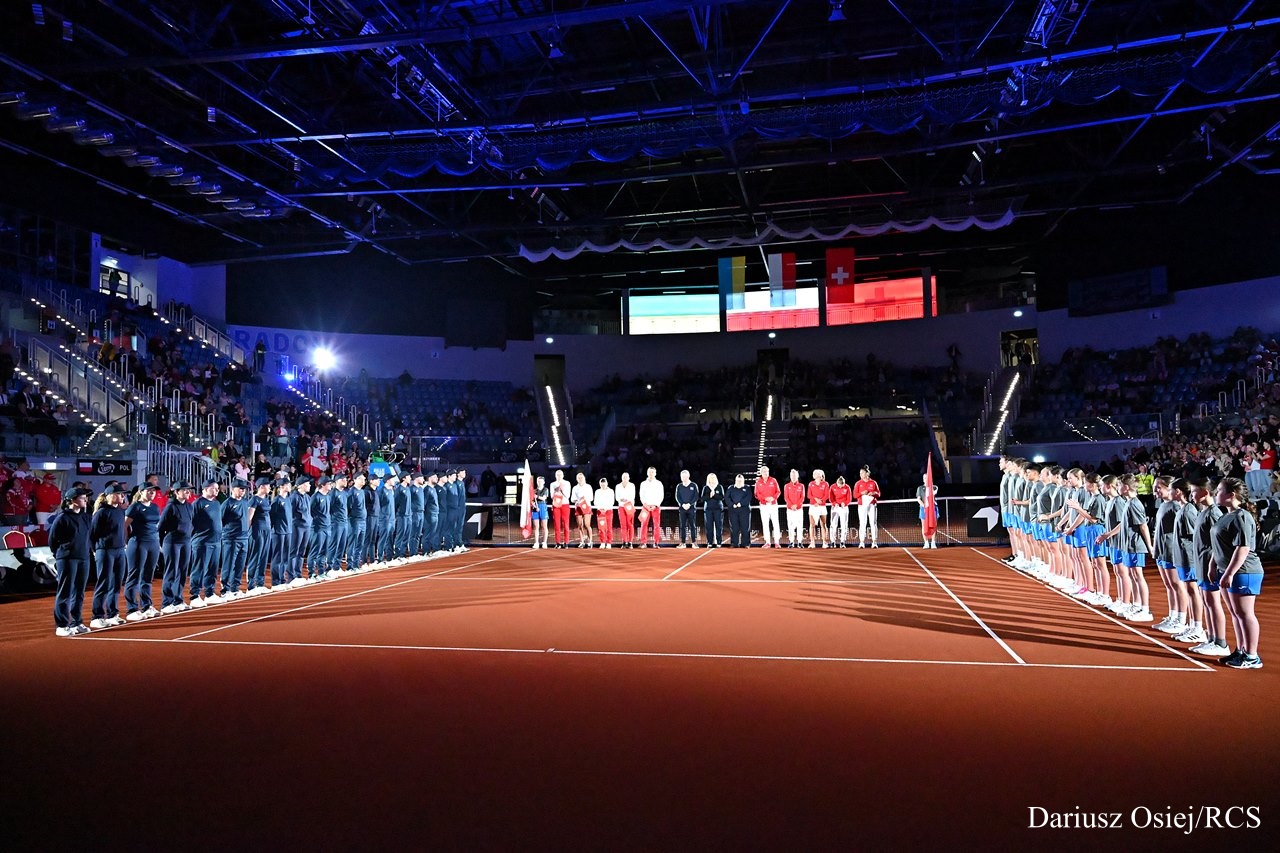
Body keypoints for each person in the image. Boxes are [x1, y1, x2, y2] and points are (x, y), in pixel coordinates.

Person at [1211, 477, 1264, 669]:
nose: (1216, 493)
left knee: (1245, 613)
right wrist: (1213, 566)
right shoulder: (1226, 515)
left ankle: (1252, 655)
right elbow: (1219, 545)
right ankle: (1241, 650)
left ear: (1231, 495)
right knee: (1236, 613)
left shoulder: (1242, 516)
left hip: (1244, 571)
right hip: (1227, 570)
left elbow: (1243, 547)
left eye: (1219, 490)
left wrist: (1229, 573)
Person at [1190, 477, 1229, 657]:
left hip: (1209, 564)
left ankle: (1220, 641)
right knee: (1207, 602)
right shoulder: (1203, 512)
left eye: (1194, 491)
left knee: (1213, 602)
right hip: (1200, 562)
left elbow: (1218, 542)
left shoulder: (1214, 513)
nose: (1191, 495)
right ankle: (1211, 638)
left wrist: (1212, 565)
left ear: (1205, 492)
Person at [50, 486, 93, 636]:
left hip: (84, 558)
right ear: (72, 500)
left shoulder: (86, 517)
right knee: (65, 591)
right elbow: (53, 540)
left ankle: (77, 622)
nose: (85, 500)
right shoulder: (62, 518)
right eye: (82, 497)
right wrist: (61, 554)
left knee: (79, 592)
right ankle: (62, 625)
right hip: (67, 559)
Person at [88, 485, 129, 628]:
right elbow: (92, 534)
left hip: (119, 551)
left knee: (116, 583)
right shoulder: (101, 512)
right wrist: (95, 551)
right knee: (103, 583)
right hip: (105, 551)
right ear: (109, 495)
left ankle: (113, 614)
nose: (122, 496)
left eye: (123, 494)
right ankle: (97, 616)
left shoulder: (120, 511)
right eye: (119, 494)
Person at [123, 483, 162, 619]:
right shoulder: (135, 507)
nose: (152, 493)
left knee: (148, 576)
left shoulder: (155, 507)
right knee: (134, 576)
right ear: (141, 492)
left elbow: (156, 525)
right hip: (138, 543)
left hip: (153, 543)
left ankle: (146, 606)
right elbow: (124, 526)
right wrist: (125, 543)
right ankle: (132, 609)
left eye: (154, 491)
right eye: (149, 491)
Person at [158, 481, 194, 613]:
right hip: (172, 543)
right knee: (171, 571)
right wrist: (161, 544)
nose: (188, 492)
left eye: (188, 490)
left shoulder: (189, 506)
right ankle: (166, 603)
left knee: (183, 572)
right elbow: (161, 527)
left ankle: (178, 600)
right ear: (177, 492)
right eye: (185, 490)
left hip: (186, 542)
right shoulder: (170, 507)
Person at [220, 478, 252, 599]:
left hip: (244, 538)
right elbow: (220, 521)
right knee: (229, 564)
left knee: (240, 565)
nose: (243, 491)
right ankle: (225, 590)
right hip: (231, 539)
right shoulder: (227, 504)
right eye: (241, 489)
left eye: (244, 489)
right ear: (233, 489)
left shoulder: (245, 502)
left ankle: (235, 588)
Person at [246, 477, 273, 593]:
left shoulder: (266, 500)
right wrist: (247, 532)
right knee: (255, 556)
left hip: (267, 531)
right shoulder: (254, 500)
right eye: (268, 485)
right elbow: (249, 517)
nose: (270, 487)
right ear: (261, 486)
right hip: (257, 531)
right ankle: (251, 585)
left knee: (263, 557)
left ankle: (260, 583)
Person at [269, 477, 294, 588]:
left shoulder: (288, 499)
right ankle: (276, 581)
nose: (289, 486)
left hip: (288, 531)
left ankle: (282, 579)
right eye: (287, 484)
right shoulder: (276, 501)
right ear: (281, 487)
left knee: (285, 557)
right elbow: (272, 517)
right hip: (278, 532)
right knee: (277, 557)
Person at [288, 476, 313, 586]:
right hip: (297, 527)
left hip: (306, 526)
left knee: (302, 552)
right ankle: (291, 576)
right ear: (302, 485)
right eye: (308, 483)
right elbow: (290, 513)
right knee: (294, 551)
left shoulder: (307, 497)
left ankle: (298, 574)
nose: (310, 485)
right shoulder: (293, 497)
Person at [308, 476, 333, 579]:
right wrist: (316, 522)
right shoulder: (315, 497)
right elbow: (310, 512)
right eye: (329, 484)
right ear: (322, 485)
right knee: (315, 551)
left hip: (327, 527)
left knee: (324, 552)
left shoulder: (328, 496)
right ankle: (311, 574)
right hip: (318, 528)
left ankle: (321, 572)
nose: (331, 485)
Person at [327, 473, 350, 575]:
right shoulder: (333, 493)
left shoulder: (345, 493)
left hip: (344, 522)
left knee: (342, 545)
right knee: (334, 545)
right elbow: (328, 508)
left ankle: (337, 566)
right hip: (336, 523)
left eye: (346, 479)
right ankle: (329, 567)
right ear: (337, 481)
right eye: (343, 479)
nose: (345, 481)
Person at [753, 465, 781, 548]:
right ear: (761, 473)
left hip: (773, 505)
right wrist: (764, 499)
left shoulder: (773, 480)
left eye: (767, 471)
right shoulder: (758, 482)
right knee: (765, 523)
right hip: (763, 505)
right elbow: (756, 494)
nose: (766, 473)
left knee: (775, 523)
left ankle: (777, 542)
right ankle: (767, 542)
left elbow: (778, 492)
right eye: (764, 471)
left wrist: (773, 498)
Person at [853, 466, 880, 548]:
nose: (860, 474)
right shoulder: (858, 483)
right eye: (860, 473)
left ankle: (874, 542)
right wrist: (862, 493)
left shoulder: (873, 482)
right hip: (862, 505)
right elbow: (855, 495)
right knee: (862, 523)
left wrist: (873, 493)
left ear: (867, 473)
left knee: (873, 523)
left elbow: (878, 494)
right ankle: (861, 542)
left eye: (862, 473)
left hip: (872, 505)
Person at [638, 467, 664, 548]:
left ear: (655, 473)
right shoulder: (643, 483)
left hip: (655, 507)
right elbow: (641, 495)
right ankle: (643, 543)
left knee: (656, 525)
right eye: (649, 472)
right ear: (647, 473)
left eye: (652, 472)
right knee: (643, 524)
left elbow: (661, 495)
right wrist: (646, 505)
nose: (651, 473)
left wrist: (655, 505)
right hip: (645, 507)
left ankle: (656, 543)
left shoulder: (659, 483)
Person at [347, 472, 367, 571]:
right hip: (355, 521)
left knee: (360, 544)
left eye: (364, 479)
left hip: (363, 520)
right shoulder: (352, 492)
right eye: (361, 479)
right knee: (353, 543)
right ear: (355, 480)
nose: (364, 480)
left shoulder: (362, 491)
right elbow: (348, 507)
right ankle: (350, 566)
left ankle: (356, 564)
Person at [674, 470, 699, 548]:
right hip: (682, 509)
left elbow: (696, 496)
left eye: (685, 476)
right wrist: (682, 504)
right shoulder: (679, 486)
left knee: (692, 525)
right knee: (682, 526)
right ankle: (683, 542)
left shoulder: (693, 485)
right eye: (682, 476)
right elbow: (677, 497)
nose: (683, 478)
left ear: (688, 476)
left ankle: (694, 542)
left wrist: (689, 504)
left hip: (691, 509)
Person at [548, 470, 573, 548]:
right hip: (556, 505)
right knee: (557, 524)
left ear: (563, 475)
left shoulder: (567, 483)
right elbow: (552, 496)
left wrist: (562, 489)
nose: (559, 476)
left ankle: (566, 542)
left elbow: (568, 496)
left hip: (565, 504)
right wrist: (557, 489)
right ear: (555, 476)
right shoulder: (552, 484)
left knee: (565, 523)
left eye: (560, 475)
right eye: (557, 475)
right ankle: (558, 542)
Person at [725, 474, 751, 548]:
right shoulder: (731, 488)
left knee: (745, 527)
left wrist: (741, 503)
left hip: (744, 510)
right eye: (738, 480)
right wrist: (732, 504)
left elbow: (749, 497)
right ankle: (734, 543)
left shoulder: (747, 487)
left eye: (740, 481)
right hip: (733, 510)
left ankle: (746, 544)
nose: (739, 482)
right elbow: (727, 497)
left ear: (743, 481)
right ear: (735, 480)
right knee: (734, 528)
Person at [808, 469, 831, 548]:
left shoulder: (825, 484)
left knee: (823, 525)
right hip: (813, 506)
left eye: (819, 475)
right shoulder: (811, 484)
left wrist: (819, 502)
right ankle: (812, 543)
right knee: (812, 525)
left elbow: (826, 495)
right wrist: (815, 499)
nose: (818, 476)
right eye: (817, 475)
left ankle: (824, 542)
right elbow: (809, 495)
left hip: (822, 506)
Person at [571, 472, 595, 548]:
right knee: (580, 525)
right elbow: (572, 499)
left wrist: (584, 500)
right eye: (579, 478)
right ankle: (582, 542)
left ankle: (590, 541)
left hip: (586, 507)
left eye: (581, 477)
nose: (580, 479)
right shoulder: (575, 488)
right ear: (577, 479)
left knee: (587, 524)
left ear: (584, 478)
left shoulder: (588, 487)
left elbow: (591, 498)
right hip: (578, 507)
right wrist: (578, 501)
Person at [783, 469, 805, 548]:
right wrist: (791, 505)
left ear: (797, 476)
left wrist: (797, 505)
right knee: (790, 525)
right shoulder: (786, 486)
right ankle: (791, 542)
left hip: (799, 509)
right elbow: (786, 497)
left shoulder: (801, 486)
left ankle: (799, 542)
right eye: (792, 475)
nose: (793, 477)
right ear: (790, 476)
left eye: (795, 475)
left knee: (800, 525)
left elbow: (802, 497)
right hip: (790, 509)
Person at [916, 472, 939, 549]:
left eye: (927, 477)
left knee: (934, 525)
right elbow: (918, 499)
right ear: (923, 479)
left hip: (933, 509)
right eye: (924, 478)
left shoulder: (933, 487)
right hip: (923, 509)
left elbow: (933, 498)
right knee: (924, 526)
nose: (926, 479)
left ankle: (933, 543)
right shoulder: (920, 488)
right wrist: (924, 506)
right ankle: (926, 543)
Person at [702, 472, 725, 547]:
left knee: (719, 526)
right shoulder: (706, 487)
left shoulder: (719, 487)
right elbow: (702, 498)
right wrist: (709, 496)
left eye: (713, 478)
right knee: (709, 526)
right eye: (711, 478)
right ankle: (710, 542)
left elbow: (722, 497)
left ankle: (719, 542)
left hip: (718, 509)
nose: (712, 479)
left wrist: (715, 495)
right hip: (708, 509)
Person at [829, 475, 852, 548]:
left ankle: (842, 542)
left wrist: (845, 503)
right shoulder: (832, 487)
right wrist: (834, 503)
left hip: (843, 508)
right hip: (835, 508)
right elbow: (830, 498)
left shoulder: (847, 487)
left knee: (844, 525)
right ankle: (832, 542)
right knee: (833, 525)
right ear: (837, 483)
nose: (840, 487)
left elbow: (849, 499)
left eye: (842, 486)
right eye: (839, 486)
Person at [614, 472, 636, 548]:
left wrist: (626, 499)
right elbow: (617, 497)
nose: (625, 478)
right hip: (621, 506)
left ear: (629, 478)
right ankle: (624, 542)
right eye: (624, 477)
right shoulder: (618, 486)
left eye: (626, 477)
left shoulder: (632, 485)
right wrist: (621, 499)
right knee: (623, 525)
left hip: (629, 506)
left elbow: (632, 496)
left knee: (630, 524)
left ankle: (630, 542)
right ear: (621, 478)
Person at [594, 478, 616, 548]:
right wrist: (600, 508)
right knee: (601, 528)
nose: (603, 486)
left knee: (609, 527)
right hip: (600, 511)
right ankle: (602, 542)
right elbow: (595, 502)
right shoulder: (597, 491)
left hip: (608, 511)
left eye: (604, 484)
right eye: (601, 485)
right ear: (600, 484)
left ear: (607, 484)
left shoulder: (611, 491)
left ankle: (609, 543)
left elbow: (612, 502)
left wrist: (605, 508)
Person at [531, 475, 550, 549]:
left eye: (541, 481)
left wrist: (537, 497)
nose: (539, 482)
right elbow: (532, 501)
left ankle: (544, 542)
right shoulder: (534, 491)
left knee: (544, 526)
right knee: (536, 527)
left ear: (544, 482)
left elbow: (544, 498)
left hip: (543, 507)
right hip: (535, 508)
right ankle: (536, 542)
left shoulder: (546, 489)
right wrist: (534, 506)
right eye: (538, 481)